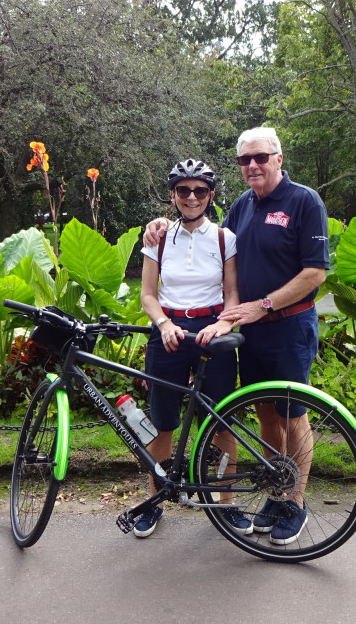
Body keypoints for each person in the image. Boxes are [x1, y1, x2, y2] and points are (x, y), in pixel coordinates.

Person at [143, 127, 329, 545]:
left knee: (294, 414)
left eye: (260, 157)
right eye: (245, 160)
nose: (253, 166)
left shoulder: (304, 201)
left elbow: (315, 272)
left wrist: (263, 305)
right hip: (249, 331)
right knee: (264, 411)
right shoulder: (242, 208)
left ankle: (294, 501)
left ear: (278, 158)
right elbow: (205, 243)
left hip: (288, 325)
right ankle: (276, 491)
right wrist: (159, 225)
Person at [134, 158, 246, 539]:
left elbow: (232, 293)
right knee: (163, 420)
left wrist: (222, 323)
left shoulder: (223, 238)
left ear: (210, 195)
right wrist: (163, 323)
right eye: (184, 190)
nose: (192, 197)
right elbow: (148, 295)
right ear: (173, 195)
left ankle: (226, 505)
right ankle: (155, 501)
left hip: (211, 328)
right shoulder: (158, 237)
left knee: (221, 421)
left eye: (200, 190)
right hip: (168, 330)